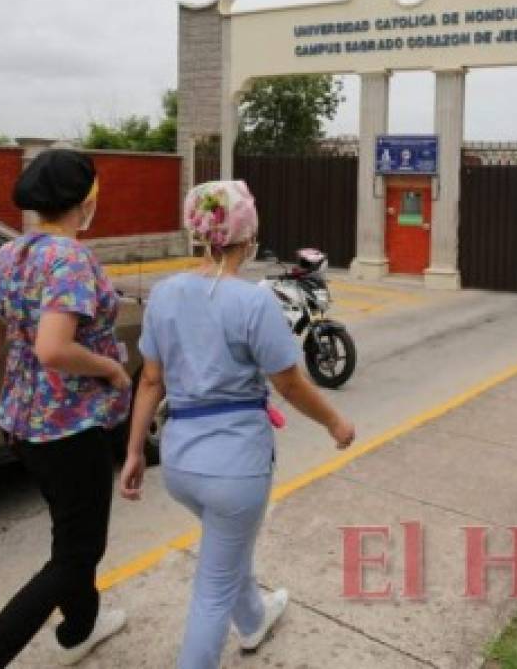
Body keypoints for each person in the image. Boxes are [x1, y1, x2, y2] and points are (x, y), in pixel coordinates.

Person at [120, 180, 355, 669]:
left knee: (225, 550)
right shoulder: (252, 302)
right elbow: (289, 384)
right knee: (212, 588)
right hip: (234, 467)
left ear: (199, 234)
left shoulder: (163, 295)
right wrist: (335, 422)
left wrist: (135, 452)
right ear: (247, 240)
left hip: (182, 464)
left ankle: (252, 620)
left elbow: (149, 382)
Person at [0, 149, 132, 667]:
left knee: (74, 538)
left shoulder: (8, 255)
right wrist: (110, 370)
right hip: (70, 430)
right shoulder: (71, 258)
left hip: (21, 426)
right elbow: (53, 348)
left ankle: (80, 626)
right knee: (76, 555)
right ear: (85, 202)